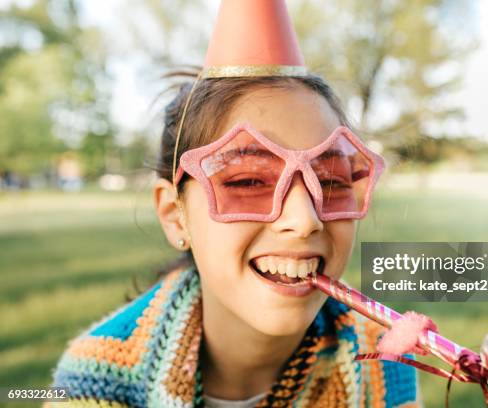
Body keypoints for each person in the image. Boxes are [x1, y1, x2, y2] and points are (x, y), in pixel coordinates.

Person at [48, 1, 419, 406]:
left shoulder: (385, 361)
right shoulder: (94, 386)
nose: (304, 218)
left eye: (330, 181)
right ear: (175, 216)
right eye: (247, 181)